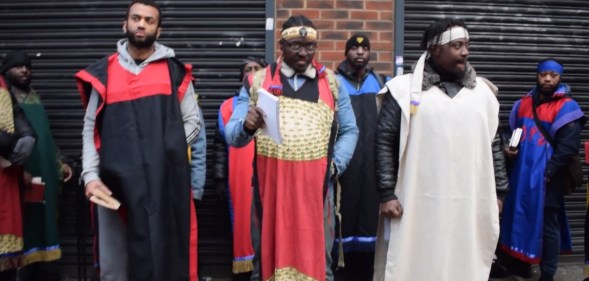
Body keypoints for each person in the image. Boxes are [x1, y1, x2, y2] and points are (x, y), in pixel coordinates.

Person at [224, 15, 358, 281]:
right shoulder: (257, 82)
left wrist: (335, 165)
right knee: (265, 266)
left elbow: (350, 130)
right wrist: (247, 126)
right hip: (269, 190)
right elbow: (232, 135)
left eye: (310, 46)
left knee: (322, 265)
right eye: (296, 45)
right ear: (282, 46)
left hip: (317, 192)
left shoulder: (332, 83)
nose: (304, 52)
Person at [372, 19, 508, 281]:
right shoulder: (403, 91)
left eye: (467, 45)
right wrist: (387, 193)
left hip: (469, 201)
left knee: (465, 262)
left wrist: (500, 192)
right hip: (416, 202)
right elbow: (384, 141)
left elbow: (493, 144)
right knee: (414, 262)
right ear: (435, 49)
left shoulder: (484, 93)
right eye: (457, 45)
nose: (465, 52)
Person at [74, 1, 201, 280]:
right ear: (125, 24)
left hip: (162, 184)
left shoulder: (174, 73)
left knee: (162, 260)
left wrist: (165, 152)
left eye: (148, 20)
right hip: (112, 184)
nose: (141, 24)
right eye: (135, 18)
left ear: (159, 29)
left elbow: (193, 123)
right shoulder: (104, 74)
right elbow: (90, 128)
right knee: (115, 266)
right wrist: (91, 175)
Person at [499, 58, 585, 281]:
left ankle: (547, 274)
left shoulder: (567, 107)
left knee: (548, 225)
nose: (547, 79)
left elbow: (568, 147)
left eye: (553, 75)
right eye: (543, 74)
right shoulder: (524, 103)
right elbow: (513, 131)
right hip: (521, 173)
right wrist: (509, 148)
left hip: (549, 177)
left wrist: (548, 174)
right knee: (517, 217)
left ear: (560, 77)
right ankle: (520, 266)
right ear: (537, 75)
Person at [1, 51, 74, 281]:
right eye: (18, 67)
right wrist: (18, 168)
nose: (24, 70)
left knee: (42, 220)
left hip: (43, 173)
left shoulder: (34, 96)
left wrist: (59, 161)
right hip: (18, 174)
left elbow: (46, 135)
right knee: (22, 223)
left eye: (27, 67)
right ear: (6, 70)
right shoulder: (6, 97)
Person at [332, 34, 388, 281]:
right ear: (346, 53)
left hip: (372, 165)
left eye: (364, 47)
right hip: (344, 166)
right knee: (342, 217)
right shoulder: (334, 83)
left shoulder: (380, 82)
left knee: (369, 219)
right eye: (354, 48)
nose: (360, 52)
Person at [213, 56, 266, 280]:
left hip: (266, 175)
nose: (252, 72)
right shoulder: (228, 107)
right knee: (242, 225)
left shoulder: (272, 100)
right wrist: (219, 179)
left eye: (257, 68)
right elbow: (219, 146)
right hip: (238, 180)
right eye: (247, 69)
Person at [0, 75, 36, 281]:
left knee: (6, 265)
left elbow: (15, 113)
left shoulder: (2, 82)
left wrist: (26, 134)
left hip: (6, 174)